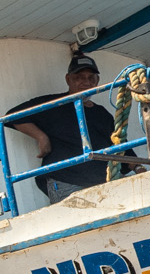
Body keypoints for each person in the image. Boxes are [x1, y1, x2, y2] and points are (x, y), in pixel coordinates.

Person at [9, 53, 115, 200]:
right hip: (66, 182)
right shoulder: (52, 104)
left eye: (91, 78)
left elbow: (120, 144)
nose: (86, 82)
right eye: (79, 77)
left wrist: (138, 167)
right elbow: (13, 115)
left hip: (104, 183)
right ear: (68, 79)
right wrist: (41, 137)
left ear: (97, 81)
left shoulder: (102, 114)